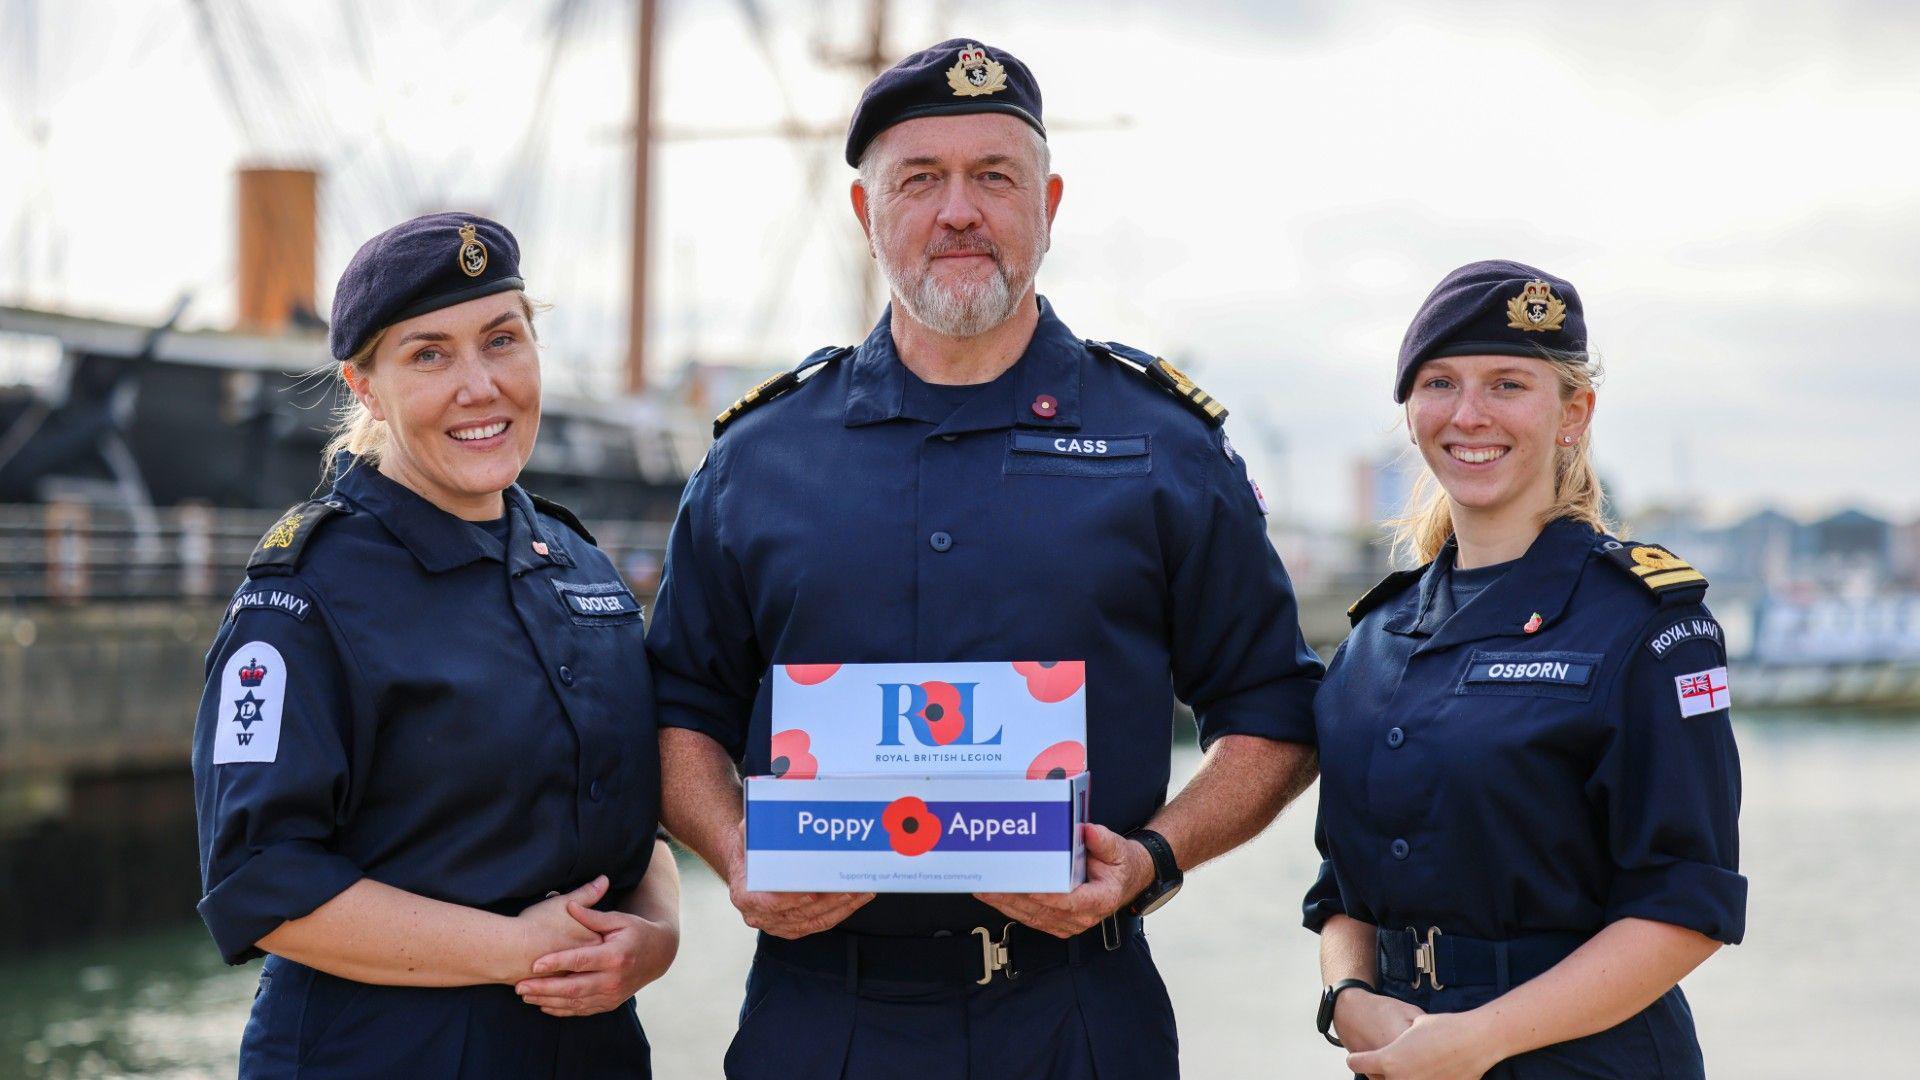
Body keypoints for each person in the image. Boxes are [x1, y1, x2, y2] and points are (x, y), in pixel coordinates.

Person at [646, 38, 1323, 1080]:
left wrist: (1151, 859)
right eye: (920, 180)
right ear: (869, 216)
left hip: (1077, 1015)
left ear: (1047, 204)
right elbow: (679, 706)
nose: (958, 211)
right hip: (822, 1015)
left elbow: (1272, 714)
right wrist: (733, 849)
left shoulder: (1164, 449)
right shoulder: (759, 456)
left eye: (993, 177)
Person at [191, 213, 678, 1078]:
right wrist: (513, 949)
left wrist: (657, 936)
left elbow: (633, 819)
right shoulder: (305, 594)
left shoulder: (579, 566)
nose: (479, 385)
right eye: (429, 354)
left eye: (502, 340)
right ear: (365, 386)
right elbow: (259, 880)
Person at [1303, 261, 1745, 1078]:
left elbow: (1688, 905)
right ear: (1411, 412)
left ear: (1573, 413)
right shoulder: (1374, 639)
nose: (1469, 414)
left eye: (1508, 384)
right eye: (1440, 383)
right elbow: (1343, 887)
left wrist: (1480, 1038)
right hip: (1402, 1057)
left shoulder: (1650, 624)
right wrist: (1348, 999)